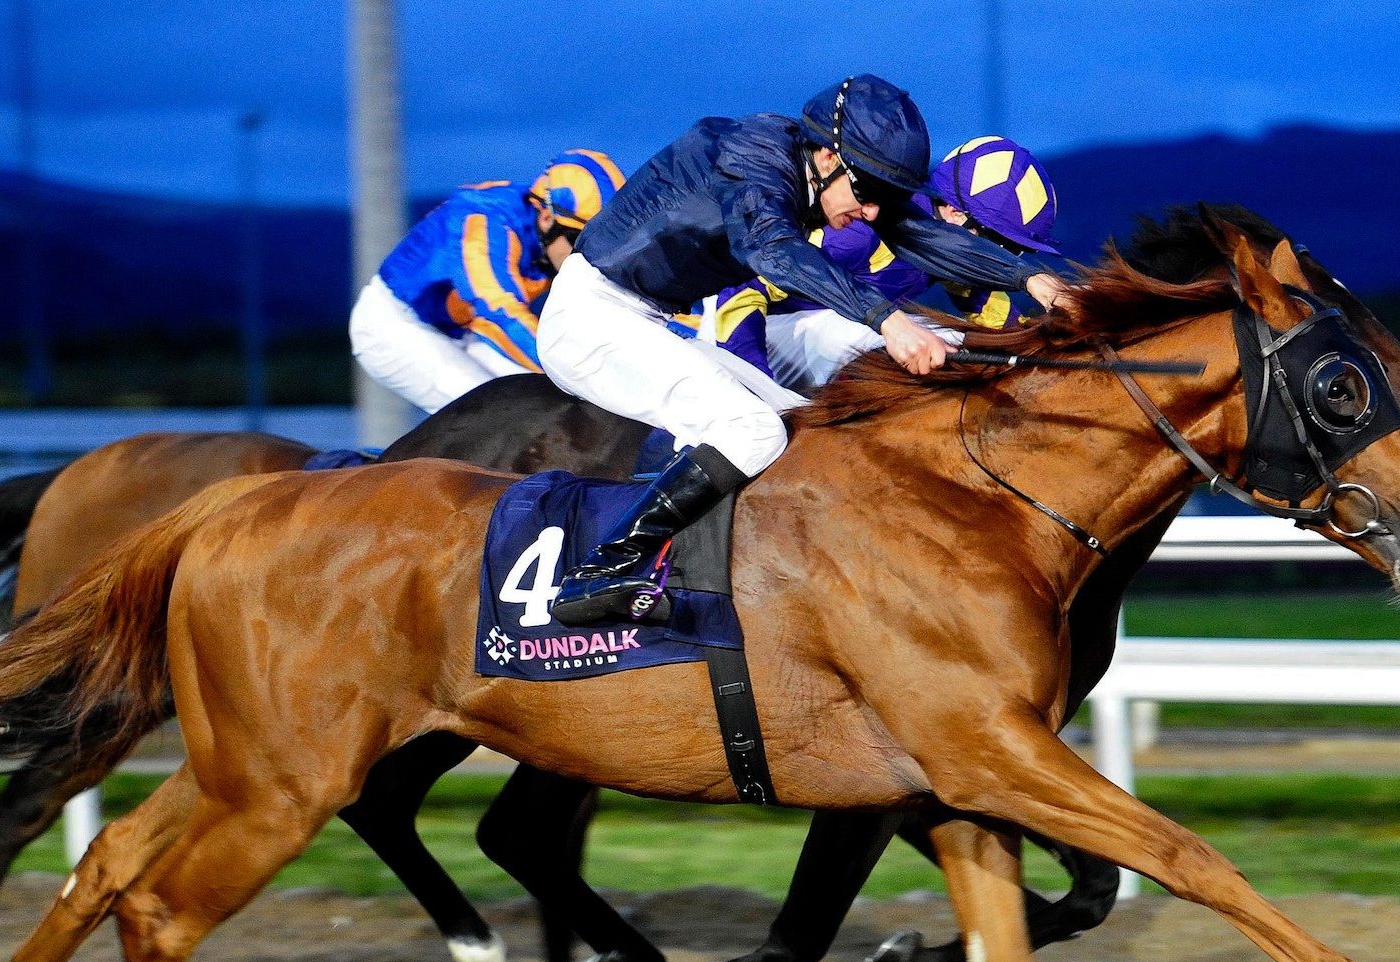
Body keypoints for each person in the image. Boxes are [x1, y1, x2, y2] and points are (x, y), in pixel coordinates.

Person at [540, 76, 1055, 627]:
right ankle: (600, 574)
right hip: (590, 320)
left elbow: (916, 234)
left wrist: (1034, 279)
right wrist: (887, 319)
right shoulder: (752, 156)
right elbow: (769, 245)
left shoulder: (823, 175)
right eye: (867, 193)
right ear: (829, 156)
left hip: (646, 318)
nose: (874, 213)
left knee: (798, 427)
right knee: (754, 432)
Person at [712, 135, 1064, 394]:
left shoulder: (950, 250)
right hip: (744, 331)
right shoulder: (860, 234)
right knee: (908, 335)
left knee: (957, 341)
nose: (1004, 258)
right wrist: (756, 387)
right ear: (956, 214)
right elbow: (741, 290)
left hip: (816, 340)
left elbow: (1004, 327)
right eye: (1002, 245)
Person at [349, 149, 626, 415]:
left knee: (559, 408)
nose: (590, 255)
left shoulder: (553, 234)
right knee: (499, 418)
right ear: (546, 217)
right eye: (581, 242)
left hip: (467, 328)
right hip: (396, 325)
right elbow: (499, 312)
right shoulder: (485, 222)